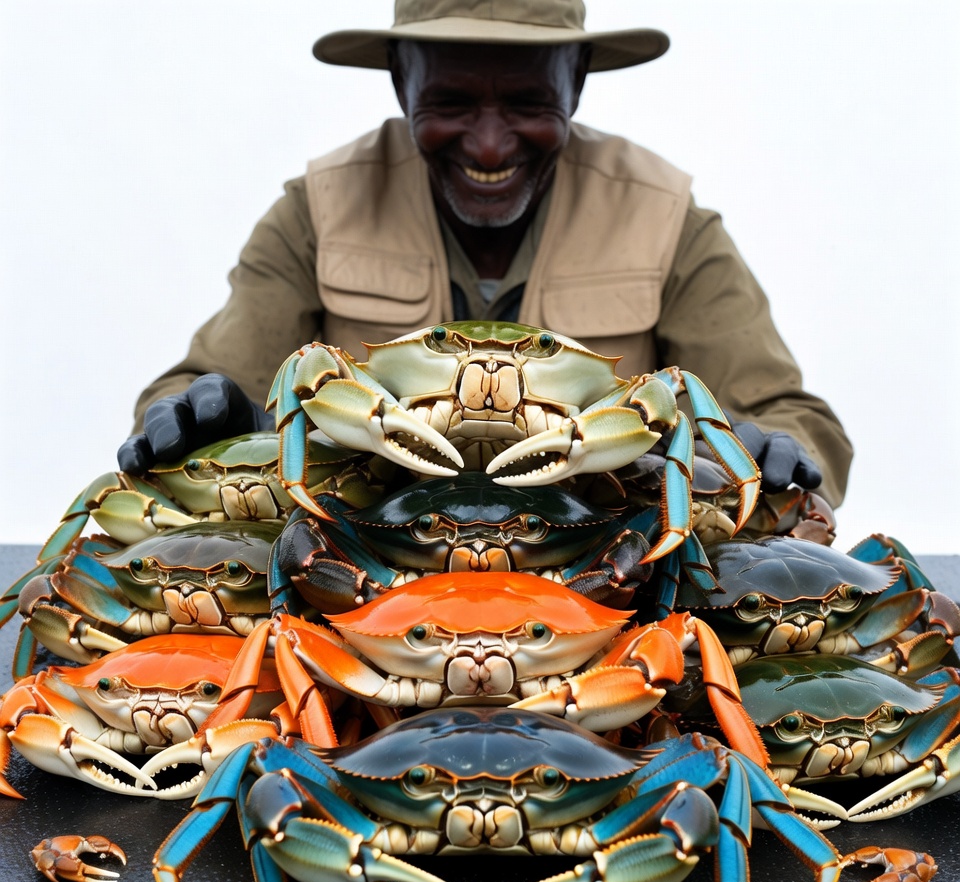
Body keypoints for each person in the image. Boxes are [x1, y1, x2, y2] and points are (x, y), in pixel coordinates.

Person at [118, 0, 852, 506]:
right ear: (399, 80)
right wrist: (220, 420)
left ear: (578, 82)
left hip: (609, 587)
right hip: (354, 577)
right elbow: (186, 392)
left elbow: (793, 420)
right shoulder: (317, 210)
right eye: (452, 103)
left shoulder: (666, 219)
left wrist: (765, 453)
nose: (492, 146)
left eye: (529, 104)